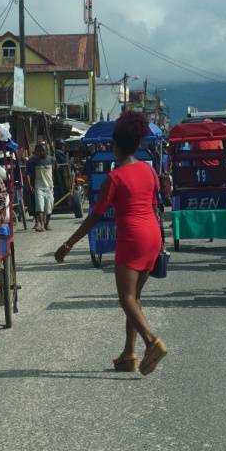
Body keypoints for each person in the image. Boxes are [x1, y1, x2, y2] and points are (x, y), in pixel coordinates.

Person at [55, 112, 167, 375]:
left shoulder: (114, 178)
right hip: (153, 235)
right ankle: (129, 354)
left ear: (115, 145)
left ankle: (152, 342)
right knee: (135, 297)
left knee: (125, 297)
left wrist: (68, 245)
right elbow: (154, 206)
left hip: (132, 237)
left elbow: (94, 216)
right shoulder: (150, 171)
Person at [28, 142, 56, 231]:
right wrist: (30, 185)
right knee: (40, 207)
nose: (41, 152)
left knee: (48, 207)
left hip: (49, 187)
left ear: (47, 151)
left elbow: (54, 171)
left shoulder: (52, 160)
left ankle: (47, 224)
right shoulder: (33, 161)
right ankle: (41, 225)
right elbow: (29, 174)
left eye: (43, 150)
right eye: (39, 151)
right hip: (38, 187)